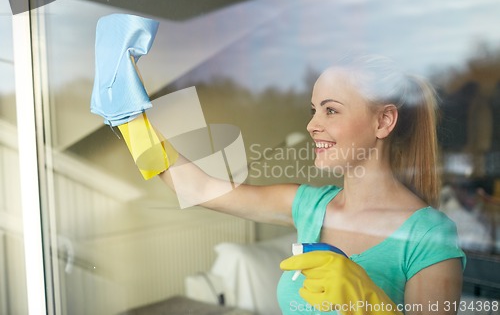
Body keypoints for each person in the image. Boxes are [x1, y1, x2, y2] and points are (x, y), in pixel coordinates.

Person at [124, 55, 466, 314]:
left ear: (384, 120)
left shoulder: (428, 235)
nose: (312, 125)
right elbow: (199, 189)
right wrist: (131, 122)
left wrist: (369, 302)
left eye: (331, 110)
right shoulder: (309, 206)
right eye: (314, 109)